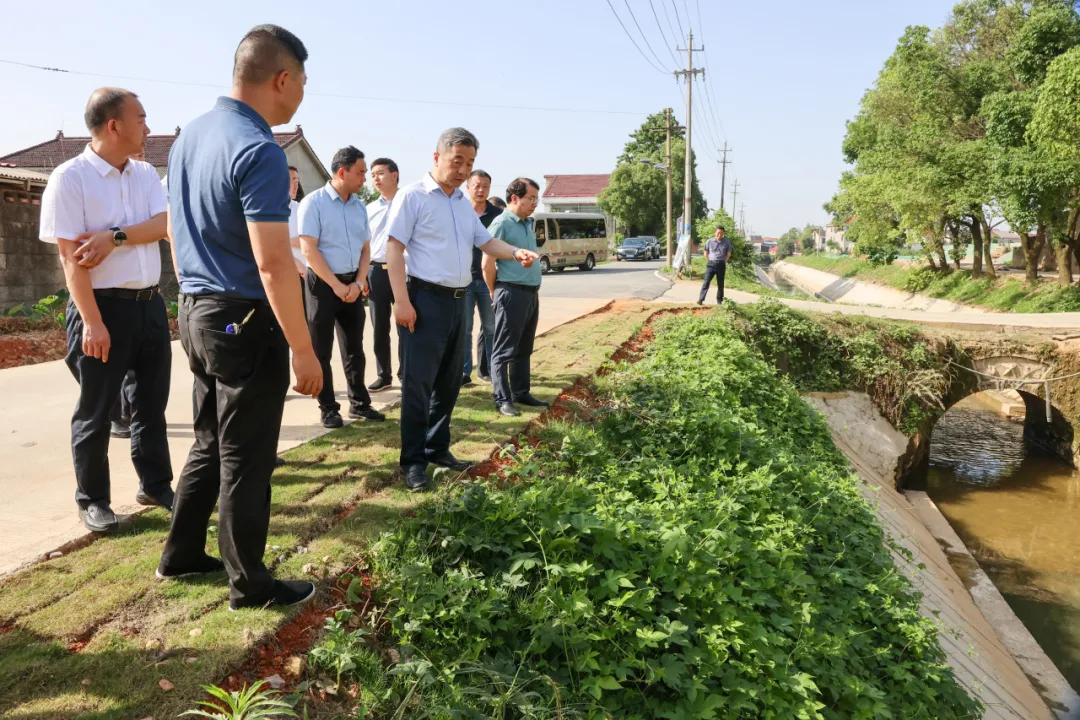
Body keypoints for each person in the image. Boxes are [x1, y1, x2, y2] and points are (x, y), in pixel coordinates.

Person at [159, 24, 323, 610]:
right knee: (246, 455)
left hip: (197, 308)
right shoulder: (257, 149)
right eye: (303, 81)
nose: (304, 92)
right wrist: (302, 349)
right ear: (282, 79)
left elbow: (176, 229)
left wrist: (192, 293)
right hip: (242, 316)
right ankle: (249, 583)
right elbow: (275, 263)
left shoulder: (190, 138)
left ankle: (179, 553)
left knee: (208, 439)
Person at [39, 88, 175, 533]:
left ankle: (155, 483)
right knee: (96, 410)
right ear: (113, 125)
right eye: (141, 118)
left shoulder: (143, 175)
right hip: (101, 310)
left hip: (148, 304)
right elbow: (69, 259)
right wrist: (93, 323)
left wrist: (113, 236)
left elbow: (163, 226)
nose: (147, 128)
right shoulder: (70, 178)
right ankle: (93, 499)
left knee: (151, 404)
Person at [385, 127, 539, 493]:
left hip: (458, 302)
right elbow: (393, 250)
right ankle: (413, 462)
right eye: (458, 161)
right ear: (437, 157)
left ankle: (437, 448)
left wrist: (514, 252)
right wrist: (401, 302)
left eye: (469, 163)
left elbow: (485, 241)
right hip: (423, 301)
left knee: (450, 381)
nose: (463, 169)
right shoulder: (413, 197)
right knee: (418, 386)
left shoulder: (459, 202)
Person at [299, 146, 385, 428]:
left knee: (354, 348)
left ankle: (359, 404)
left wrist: (359, 283)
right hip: (322, 284)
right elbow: (309, 250)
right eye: (360, 172)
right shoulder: (314, 203)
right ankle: (328, 408)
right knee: (321, 349)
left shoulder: (359, 206)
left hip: (352, 283)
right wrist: (336, 285)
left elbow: (365, 248)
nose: (365, 179)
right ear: (342, 172)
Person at [483, 178, 548, 417]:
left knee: (523, 347)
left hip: (530, 293)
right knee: (504, 349)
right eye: (530, 198)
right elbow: (487, 262)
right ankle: (502, 398)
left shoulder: (525, 223)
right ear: (514, 198)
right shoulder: (502, 223)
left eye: (536, 199)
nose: (534, 203)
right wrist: (494, 291)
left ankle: (521, 392)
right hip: (511, 291)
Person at [365, 157, 402, 391]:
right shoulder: (368, 208)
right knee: (379, 327)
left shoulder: (409, 201)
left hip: (404, 272)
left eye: (380, 173)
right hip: (376, 271)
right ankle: (384, 375)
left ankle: (406, 373)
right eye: (372, 175)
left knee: (406, 325)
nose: (375, 179)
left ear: (394, 175)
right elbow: (364, 243)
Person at [462, 170, 500, 386]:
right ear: (467, 187)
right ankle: (464, 372)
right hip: (463, 280)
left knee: (491, 327)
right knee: (464, 329)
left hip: (488, 278)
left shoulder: (496, 214)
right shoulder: (459, 210)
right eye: (476, 185)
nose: (480, 189)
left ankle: (492, 370)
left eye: (485, 186)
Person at [698, 226, 732, 305]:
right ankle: (701, 299)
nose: (719, 235)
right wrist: (710, 260)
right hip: (711, 264)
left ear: (723, 233)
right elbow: (705, 253)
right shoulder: (709, 241)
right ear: (715, 232)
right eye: (718, 233)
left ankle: (719, 301)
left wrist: (724, 260)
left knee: (720, 284)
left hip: (721, 265)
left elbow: (729, 253)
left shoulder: (726, 242)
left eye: (721, 233)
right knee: (706, 282)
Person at [288, 166, 305, 277]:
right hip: (282, 272)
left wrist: (280, 242)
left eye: (297, 181)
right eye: (292, 181)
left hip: (304, 273)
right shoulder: (267, 211)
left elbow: (311, 241)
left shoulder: (302, 209)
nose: (296, 186)